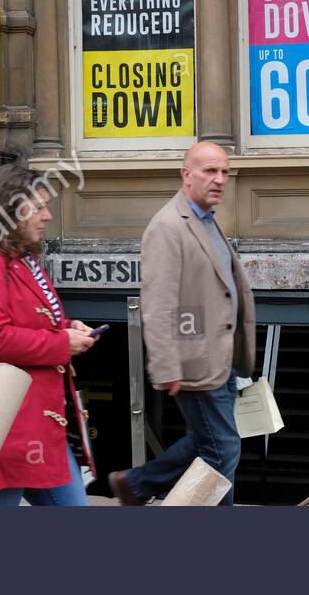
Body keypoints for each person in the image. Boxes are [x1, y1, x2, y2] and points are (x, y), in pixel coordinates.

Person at [0, 164, 97, 505]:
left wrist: (68, 327)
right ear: (10, 211)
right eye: (38, 207)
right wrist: (61, 343)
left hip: (32, 426)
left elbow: (26, 318)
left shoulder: (16, 257)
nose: (48, 215)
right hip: (0, 431)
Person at [109, 141, 256, 506]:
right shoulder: (168, 226)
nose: (220, 179)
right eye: (210, 171)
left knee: (211, 445)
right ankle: (139, 483)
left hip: (221, 359)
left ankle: (135, 484)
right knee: (222, 450)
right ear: (186, 174)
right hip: (194, 360)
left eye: (224, 171)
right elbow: (158, 303)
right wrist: (166, 365)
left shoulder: (206, 220)